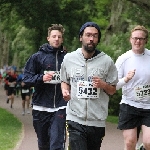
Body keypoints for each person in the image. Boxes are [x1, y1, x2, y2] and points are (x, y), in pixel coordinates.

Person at [60, 22, 118, 150]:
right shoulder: (69, 59)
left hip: (97, 121)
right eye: (88, 35)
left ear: (98, 39)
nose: (91, 39)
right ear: (81, 37)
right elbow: (64, 80)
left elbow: (113, 90)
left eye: (95, 36)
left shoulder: (106, 61)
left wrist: (103, 85)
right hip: (75, 118)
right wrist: (65, 91)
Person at [22, 24, 67, 150]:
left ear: (62, 39)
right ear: (48, 38)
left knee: (57, 144)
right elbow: (26, 79)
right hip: (40, 107)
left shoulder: (67, 58)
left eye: (59, 37)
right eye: (54, 36)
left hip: (60, 106)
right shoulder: (37, 57)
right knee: (43, 144)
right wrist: (41, 78)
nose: (56, 39)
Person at [115, 25, 150, 150]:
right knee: (130, 142)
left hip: (148, 106)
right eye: (135, 38)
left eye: (141, 38)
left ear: (146, 40)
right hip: (129, 105)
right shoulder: (123, 59)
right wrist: (126, 79)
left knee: (148, 143)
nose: (138, 41)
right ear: (130, 39)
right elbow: (114, 86)